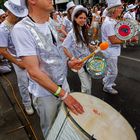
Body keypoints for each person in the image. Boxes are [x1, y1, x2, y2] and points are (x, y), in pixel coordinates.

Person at [11, 0, 84, 139]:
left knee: (66, 125)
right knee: (52, 131)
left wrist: (69, 63)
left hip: (63, 86)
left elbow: (55, 52)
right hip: (45, 94)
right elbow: (34, 72)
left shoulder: (50, 21)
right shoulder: (21, 29)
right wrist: (63, 94)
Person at [0, 0, 34, 115]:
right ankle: (27, 104)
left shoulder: (20, 24)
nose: (18, 17)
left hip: (28, 55)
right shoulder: (2, 29)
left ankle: (36, 99)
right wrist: (17, 62)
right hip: (17, 59)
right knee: (23, 82)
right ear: (9, 12)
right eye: (16, 15)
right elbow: (3, 51)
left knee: (35, 78)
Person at [101, 0, 137, 94]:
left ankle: (106, 80)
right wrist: (129, 40)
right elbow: (113, 40)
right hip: (110, 50)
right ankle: (107, 87)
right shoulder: (109, 23)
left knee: (110, 69)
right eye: (120, 7)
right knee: (114, 72)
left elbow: (120, 32)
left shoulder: (112, 20)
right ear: (114, 10)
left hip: (111, 50)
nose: (122, 9)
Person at [62, 5, 93, 95]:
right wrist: (72, 58)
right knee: (85, 86)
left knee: (89, 82)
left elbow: (85, 44)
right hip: (80, 63)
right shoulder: (71, 34)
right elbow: (64, 47)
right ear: (75, 19)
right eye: (80, 18)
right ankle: (85, 100)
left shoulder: (83, 30)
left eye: (84, 18)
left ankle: (90, 99)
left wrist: (91, 47)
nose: (83, 20)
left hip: (89, 60)